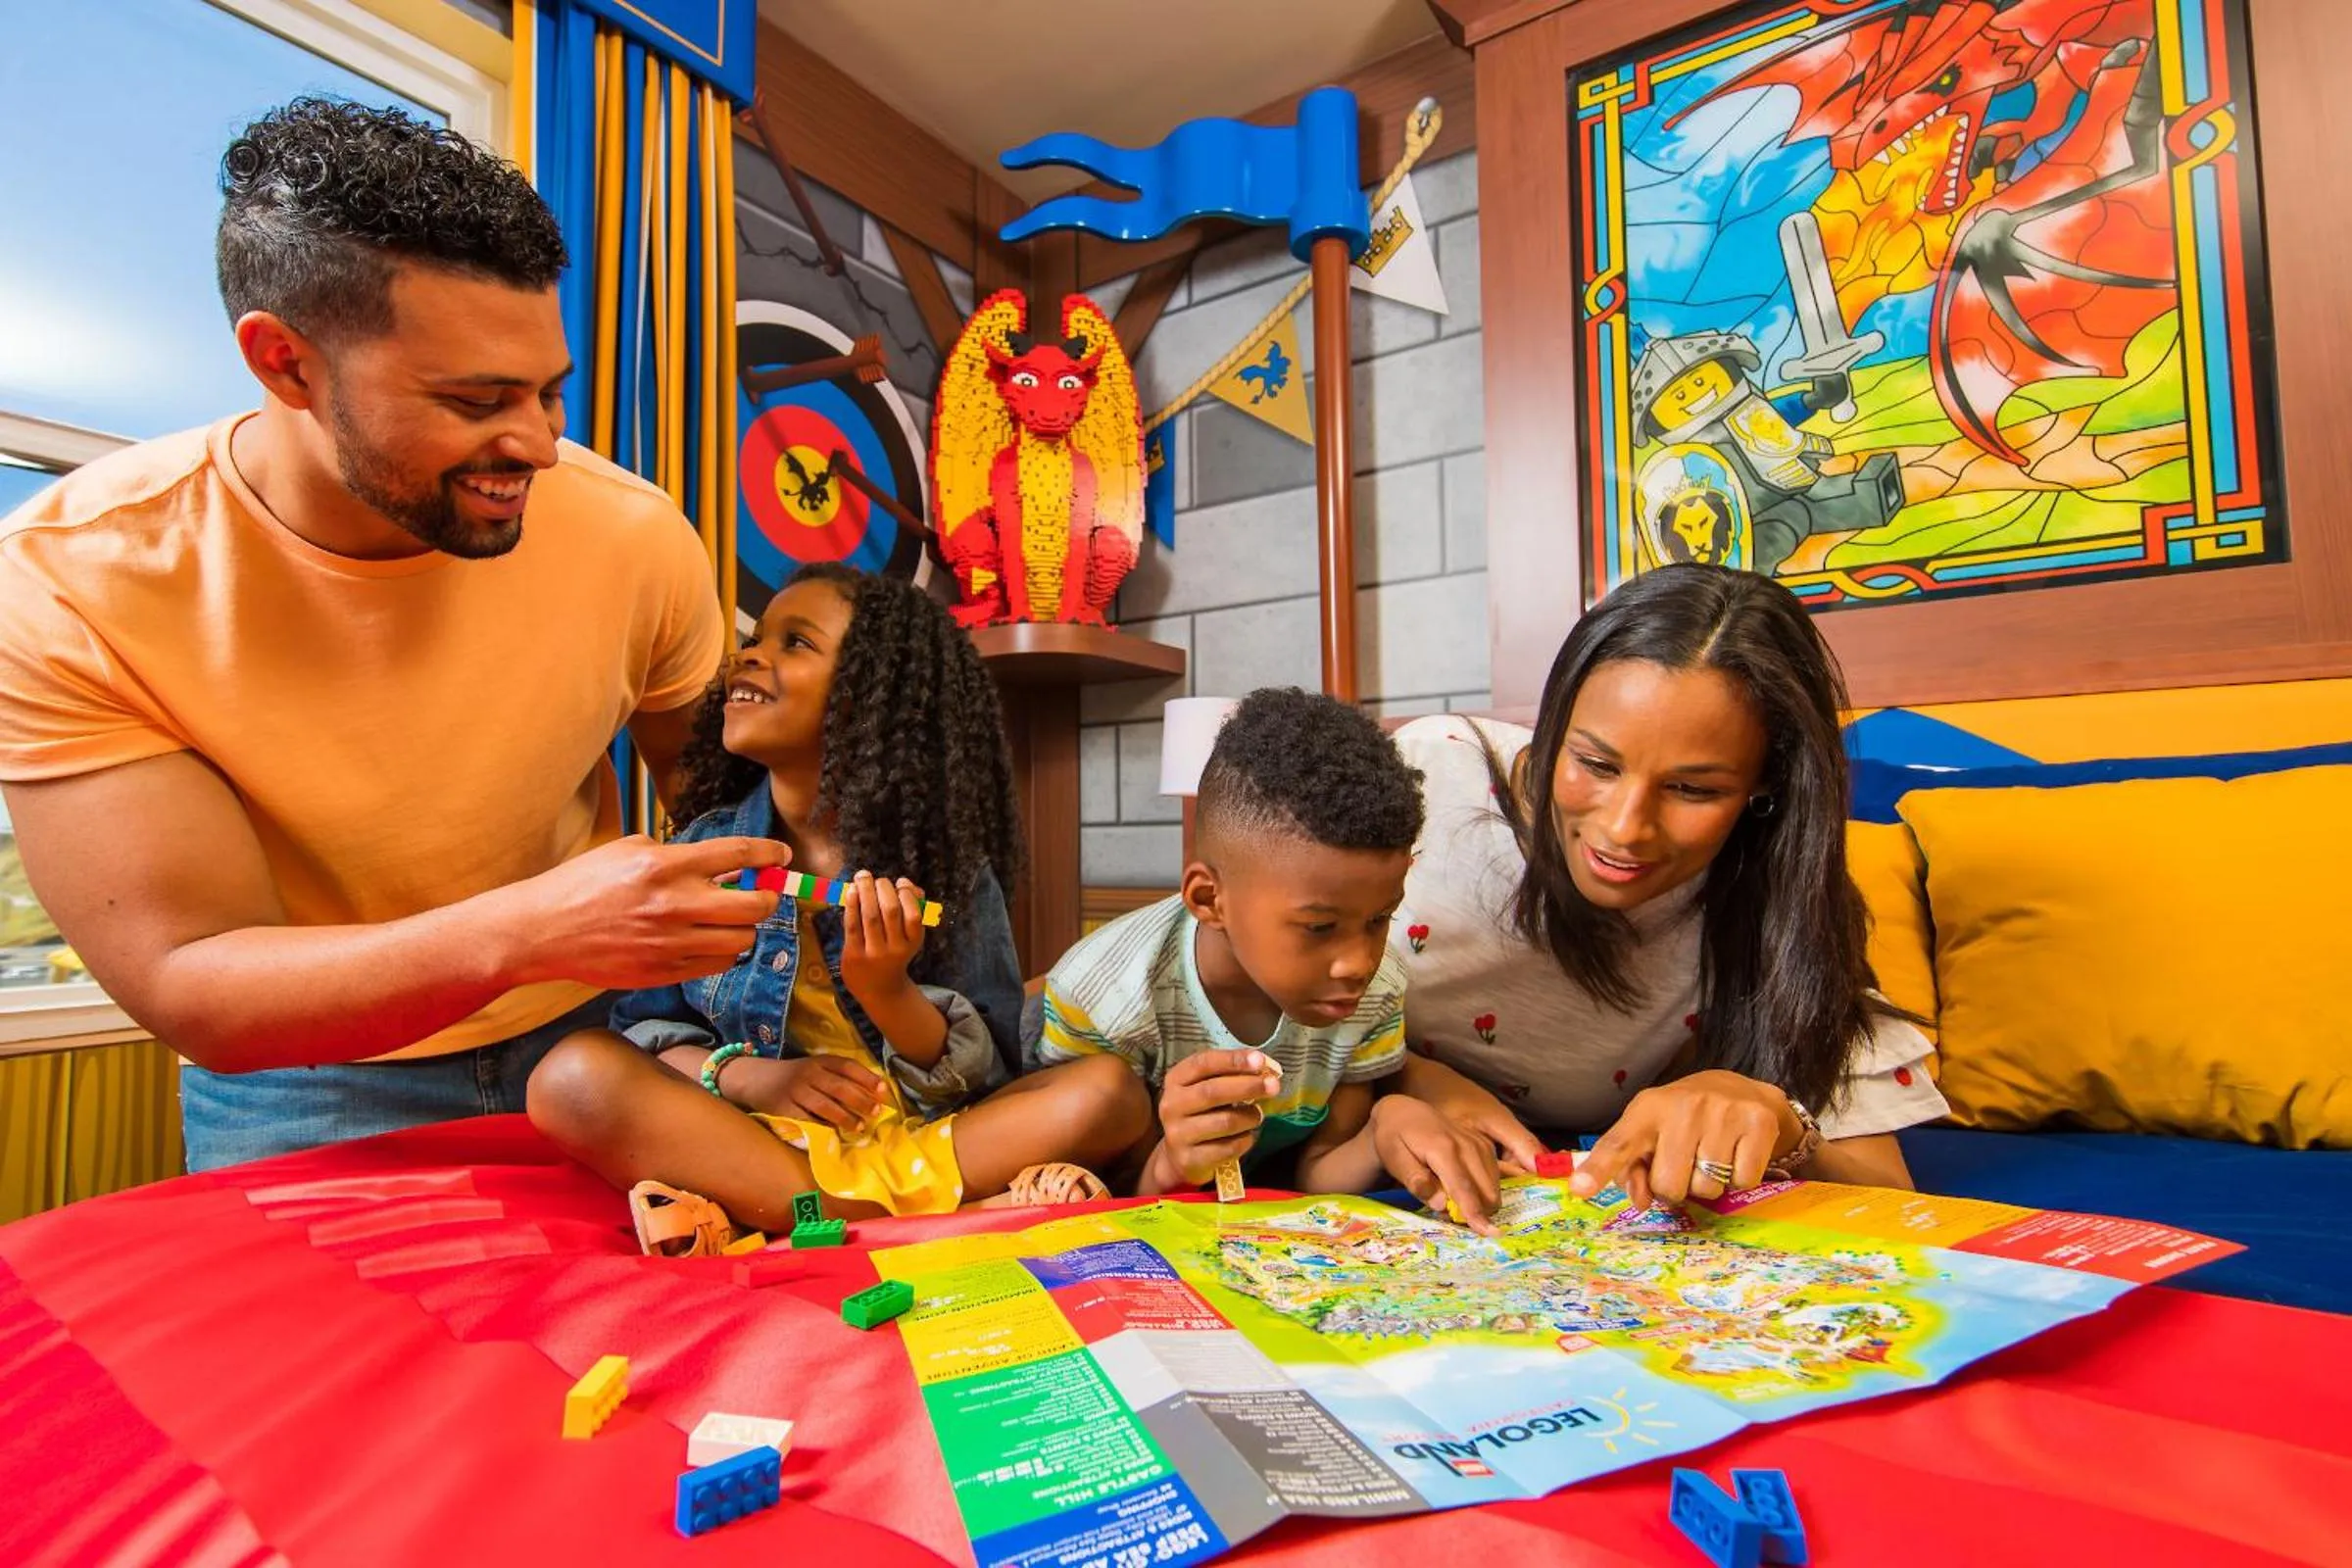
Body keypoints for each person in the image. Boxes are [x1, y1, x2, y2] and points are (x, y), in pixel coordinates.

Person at [0, 98, 780, 1170]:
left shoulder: (634, 534)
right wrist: (528, 934)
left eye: (550, 391)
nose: (540, 445)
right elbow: (193, 983)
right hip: (304, 1082)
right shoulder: (72, 579)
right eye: (474, 400)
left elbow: (729, 799)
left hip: (605, 1041)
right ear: (286, 364)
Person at [527, 564, 1152, 1241]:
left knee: (1112, 1093)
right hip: (757, 1143)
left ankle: (809, 1219)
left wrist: (885, 990)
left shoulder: (946, 866)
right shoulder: (702, 853)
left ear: (873, 698)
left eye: (796, 643)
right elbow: (645, 1035)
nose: (750, 654)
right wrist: (749, 1079)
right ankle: (894, 1219)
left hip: (928, 1142)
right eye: (758, 637)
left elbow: (988, 1075)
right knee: (571, 1077)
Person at [1391, 564, 1948, 1217]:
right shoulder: (1428, 778)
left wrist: (1780, 1122)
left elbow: (1892, 1199)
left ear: (1764, 788)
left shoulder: (1767, 897)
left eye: (1692, 789)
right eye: (1594, 763)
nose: (1624, 830)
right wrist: (1406, 1082)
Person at [1031, 688, 1496, 1210]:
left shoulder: (1376, 990)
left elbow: (1317, 1176)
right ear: (1209, 899)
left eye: (1379, 919)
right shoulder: (1105, 995)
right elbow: (1087, 1190)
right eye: (1319, 927)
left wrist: (1385, 1127)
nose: (1359, 963)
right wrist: (1169, 1165)